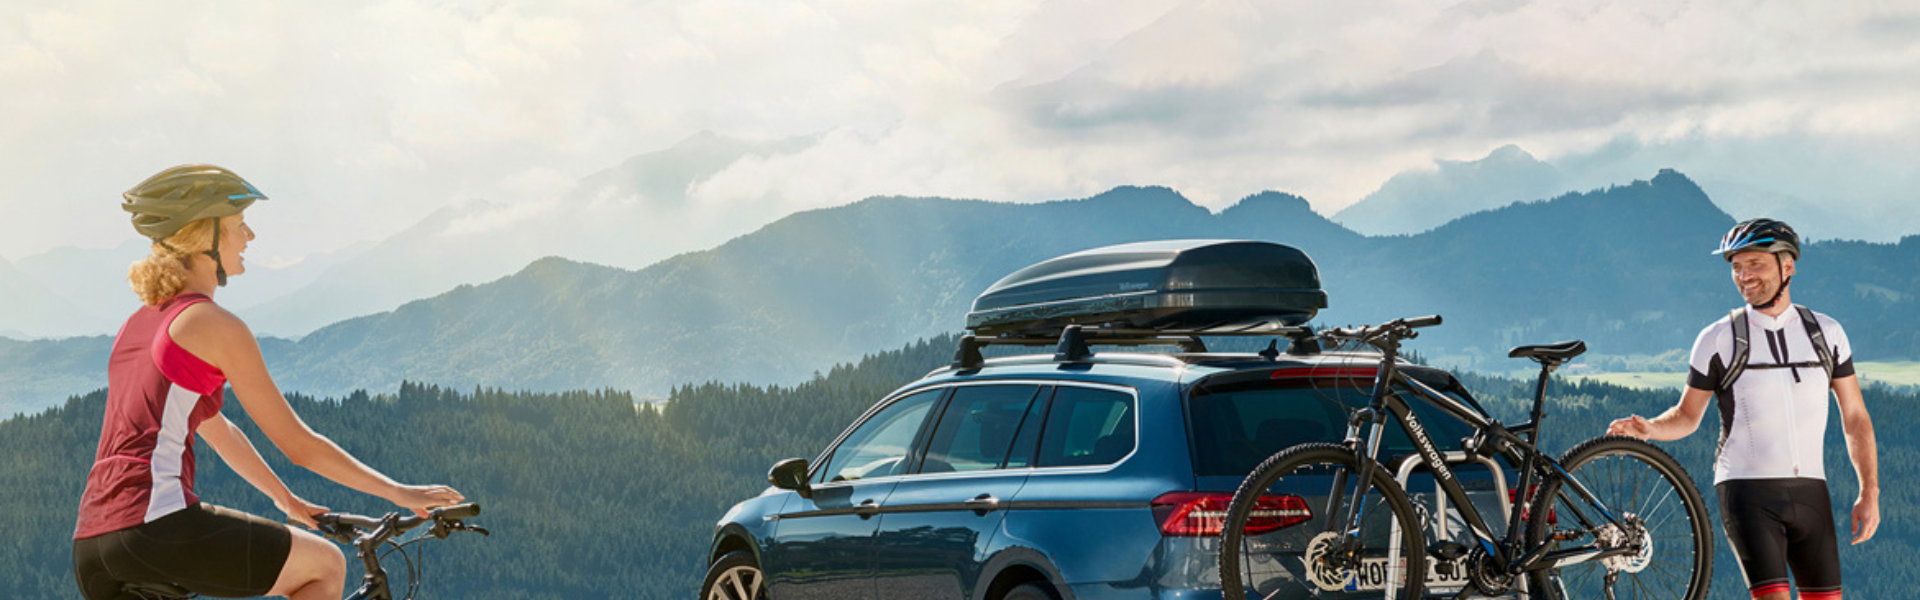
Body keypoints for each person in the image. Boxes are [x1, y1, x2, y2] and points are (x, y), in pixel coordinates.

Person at [72, 164, 465, 600]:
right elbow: (301, 446)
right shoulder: (212, 323)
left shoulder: (139, 324)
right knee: (323, 565)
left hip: (94, 544)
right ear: (205, 238)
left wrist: (285, 500)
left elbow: (216, 429)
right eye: (239, 225)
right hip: (156, 523)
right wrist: (397, 491)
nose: (250, 237)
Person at [1607, 218, 1878, 600]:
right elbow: (1687, 416)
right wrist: (1649, 428)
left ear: (1788, 266)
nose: (1743, 276)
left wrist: (1870, 492)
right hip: (1747, 491)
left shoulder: (1826, 333)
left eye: (1755, 264)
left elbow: (1855, 418)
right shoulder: (1718, 338)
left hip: (1812, 492)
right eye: (1736, 266)